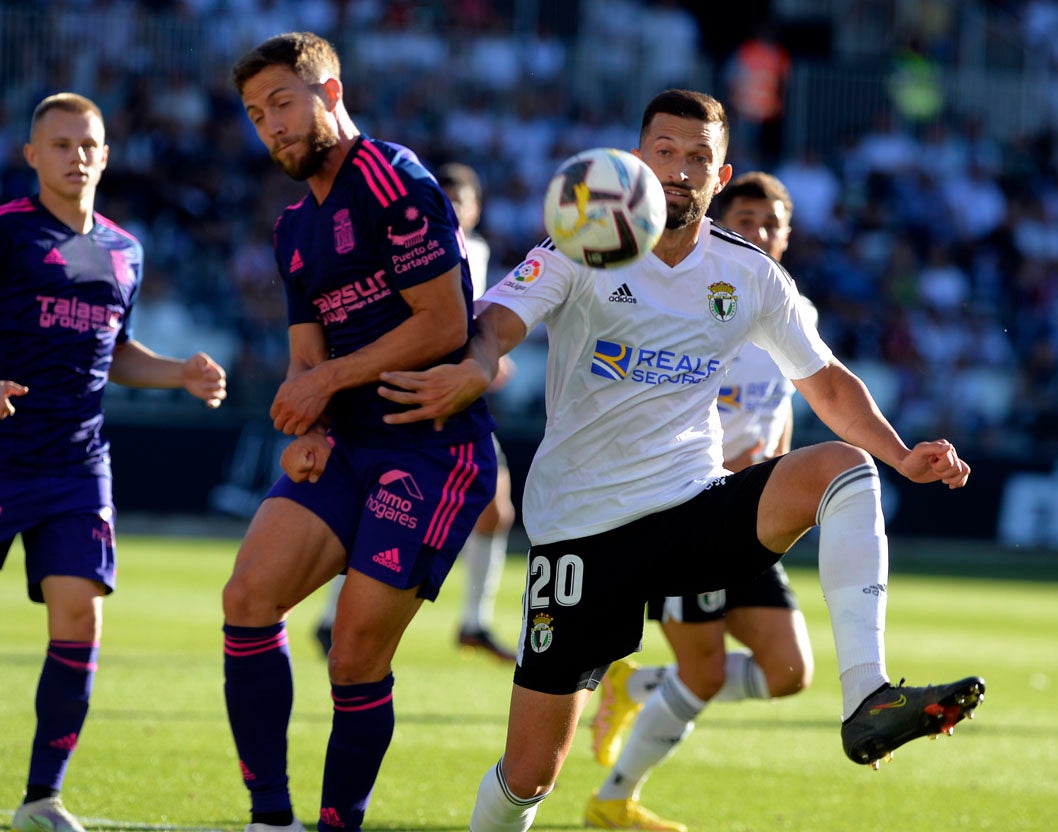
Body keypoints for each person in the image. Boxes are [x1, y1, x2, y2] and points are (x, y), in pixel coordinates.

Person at [379, 89, 985, 832]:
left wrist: (899, 455)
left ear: (719, 175)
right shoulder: (584, 244)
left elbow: (824, 381)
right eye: (664, 152)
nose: (679, 169)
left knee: (842, 468)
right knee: (532, 771)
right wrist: (475, 362)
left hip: (689, 505)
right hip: (582, 531)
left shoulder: (749, 274)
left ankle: (867, 697)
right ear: (635, 162)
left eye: (697, 156)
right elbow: (497, 321)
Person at [222, 32, 496, 832]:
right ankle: (269, 819)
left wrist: (326, 383)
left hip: (430, 448)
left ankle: (339, 821)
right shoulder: (290, 229)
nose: (270, 125)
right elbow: (305, 353)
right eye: (254, 114)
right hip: (345, 445)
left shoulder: (391, 177)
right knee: (247, 598)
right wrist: (304, 418)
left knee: (352, 655)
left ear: (330, 93)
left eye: (282, 103)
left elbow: (444, 324)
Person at [1, 92, 227, 832]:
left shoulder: (126, 249)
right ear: (32, 155)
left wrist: (179, 375)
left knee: (79, 622)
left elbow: (115, 351)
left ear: (105, 152)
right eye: (60, 144)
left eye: (88, 143)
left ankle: (41, 798)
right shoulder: (6, 233)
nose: (77, 156)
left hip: (76, 464)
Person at [584, 171, 818, 832]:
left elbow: (780, 411)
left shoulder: (791, 309)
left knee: (788, 672)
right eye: (744, 221)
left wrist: (775, 476)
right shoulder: (691, 305)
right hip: (690, 512)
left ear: (787, 235)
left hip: (749, 516)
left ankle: (632, 685)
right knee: (705, 672)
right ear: (720, 221)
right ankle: (613, 799)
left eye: (770, 224)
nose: (758, 234)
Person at [313, 161, 516, 663]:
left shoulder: (480, 251)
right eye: (441, 200)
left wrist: (489, 357)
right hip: (406, 393)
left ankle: (474, 622)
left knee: (495, 511)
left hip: (455, 397)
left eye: (458, 202)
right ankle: (329, 616)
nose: (448, 211)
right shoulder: (408, 245)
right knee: (378, 505)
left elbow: (474, 320)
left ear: (475, 209)